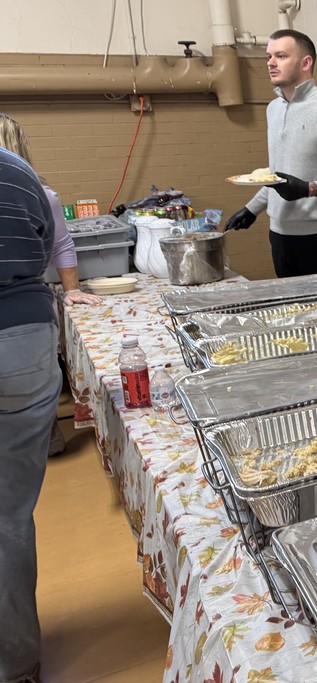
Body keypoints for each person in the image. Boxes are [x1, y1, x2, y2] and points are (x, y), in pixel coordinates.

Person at [225, 29, 317, 278]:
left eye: (281, 56)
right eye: (269, 56)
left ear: (306, 62)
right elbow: (277, 175)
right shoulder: (273, 109)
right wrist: (252, 209)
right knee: (293, 312)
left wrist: (309, 188)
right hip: (279, 234)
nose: (271, 62)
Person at [0, 113, 104, 458]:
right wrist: (71, 289)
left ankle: (47, 438)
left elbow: (61, 244)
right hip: (27, 312)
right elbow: (60, 244)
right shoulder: (35, 190)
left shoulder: (40, 192)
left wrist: (71, 290)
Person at [0, 146, 61, 683]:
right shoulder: (19, 170)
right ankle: (15, 665)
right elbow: (44, 247)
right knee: (7, 515)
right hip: (20, 341)